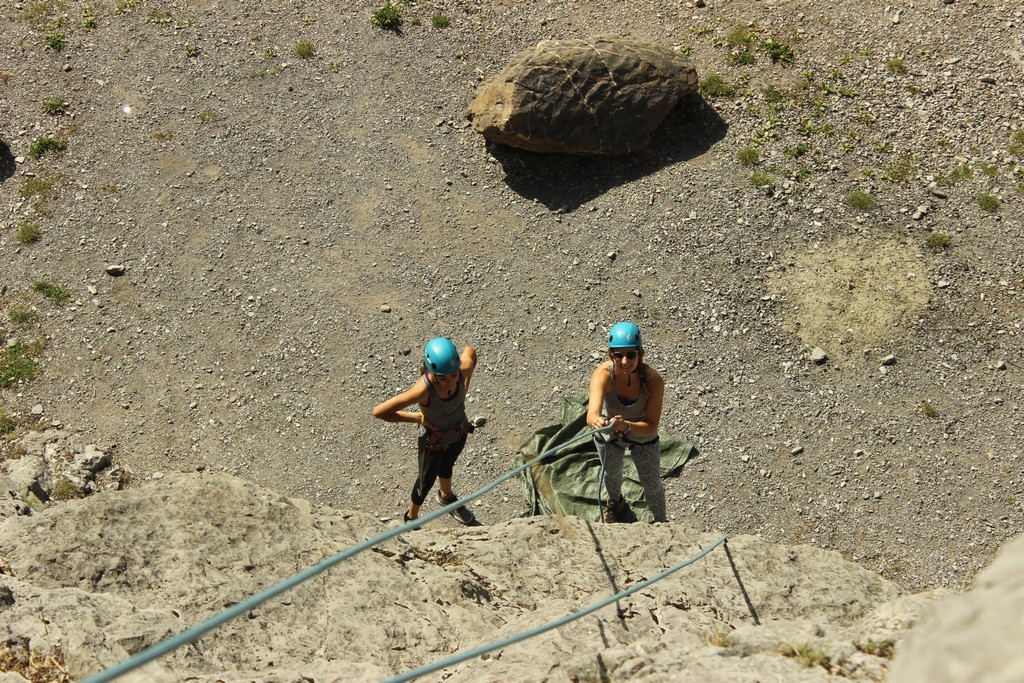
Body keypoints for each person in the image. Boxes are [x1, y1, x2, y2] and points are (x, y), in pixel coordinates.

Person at [372, 337, 478, 525]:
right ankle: (411, 518)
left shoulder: (462, 371)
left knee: (447, 466)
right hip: (433, 441)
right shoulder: (423, 390)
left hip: (458, 432)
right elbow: (379, 412)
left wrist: (465, 386)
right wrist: (418, 418)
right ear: (431, 372)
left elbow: (470, 351)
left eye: (453, 374)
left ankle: (446, 496)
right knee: (425, 481)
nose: (449, 381)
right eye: (442, 377)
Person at [586, 322, 667, 523]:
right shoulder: (602, 375)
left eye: (631, 354)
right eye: (618, 355)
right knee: (611, 475)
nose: (624, 361)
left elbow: (651, 425)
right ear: (611, 355)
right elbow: (591, 415)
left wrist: (628, 426)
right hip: (611, 429)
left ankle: (661, 520)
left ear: (639, 354)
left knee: (651, 483)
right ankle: (615, 501)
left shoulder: (653, 381)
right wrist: (600, 422)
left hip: (640, 432)